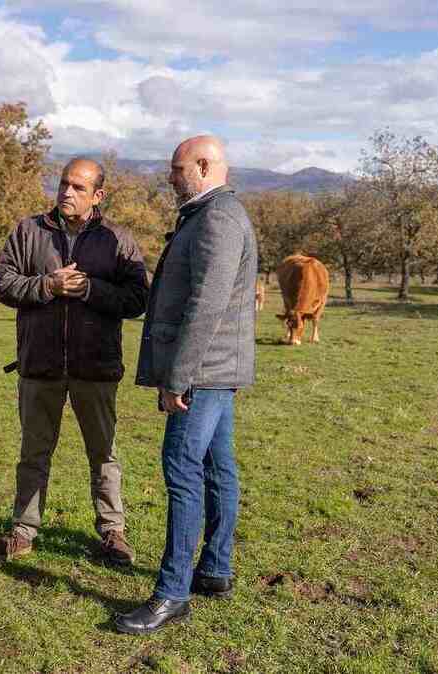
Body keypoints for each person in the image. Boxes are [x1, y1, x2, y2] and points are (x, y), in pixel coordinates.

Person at [115, 136, 258, 635]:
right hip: (219, 370)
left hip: (204, 371)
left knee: (181, 468)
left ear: (203, 165)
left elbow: (208, 304)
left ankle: (172, 592)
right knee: (219, 465)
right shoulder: (212, 212)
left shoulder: (217, 217)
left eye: (177, 170)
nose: (171, 178)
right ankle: (215, 569)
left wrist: (178, 376)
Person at [0, 158, 149, 565]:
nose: (66, 193)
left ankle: (113, 532)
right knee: (34, 453)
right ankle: (23, 531)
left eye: (79, 188)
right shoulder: (29, 231)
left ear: (98, 196)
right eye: (63, 184)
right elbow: (0, 282)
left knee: (103, 454)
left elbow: (137, 299)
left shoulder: (118, 239)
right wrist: (47, 285)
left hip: (95, 369)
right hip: (39, 366)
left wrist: (90, 290)